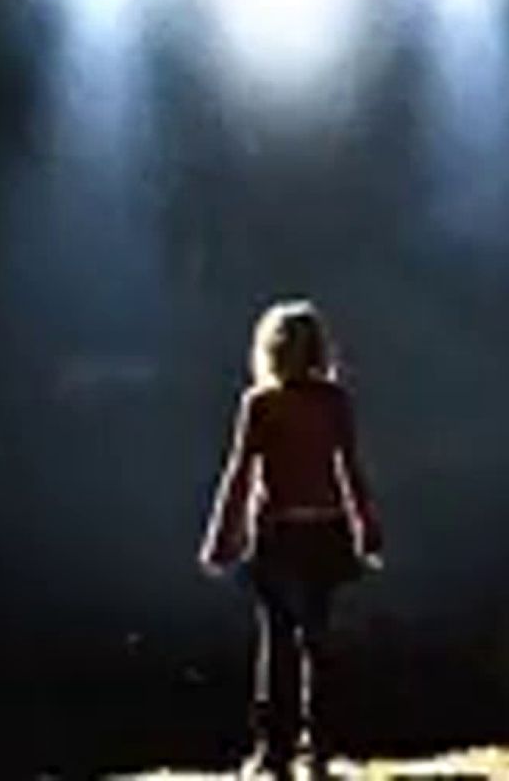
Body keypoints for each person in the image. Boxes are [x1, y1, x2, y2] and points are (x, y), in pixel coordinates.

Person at [199, 300, 383, 780]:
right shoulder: (333, 402)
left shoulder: (261, 403)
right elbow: (350, 472)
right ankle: (318, 751)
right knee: (317, 642)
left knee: (277, 642)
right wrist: (367, 532)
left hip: (278, 534)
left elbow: (239, 475)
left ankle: (273, 753)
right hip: (325, 531)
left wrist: (222, 540)